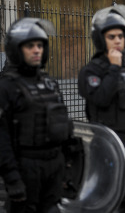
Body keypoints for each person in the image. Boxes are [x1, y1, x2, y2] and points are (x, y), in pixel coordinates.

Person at [78, 5, 125, 213]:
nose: (118, 40)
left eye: (121, 36)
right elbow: (100, 98)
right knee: (109, 196)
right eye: (112, 37)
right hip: (108, 143)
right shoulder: (91, 71)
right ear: (101, 40)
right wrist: (113, 68)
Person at [0, 18, 71, 212]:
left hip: (54, 166)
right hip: (26, 167)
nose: (37, 50)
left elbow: (63, 125)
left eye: (40, 45)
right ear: (16, 49)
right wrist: (12, 178)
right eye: (30, 46)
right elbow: (2, 138)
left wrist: (66, 166)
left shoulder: (50, 83)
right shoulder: (7, 87)